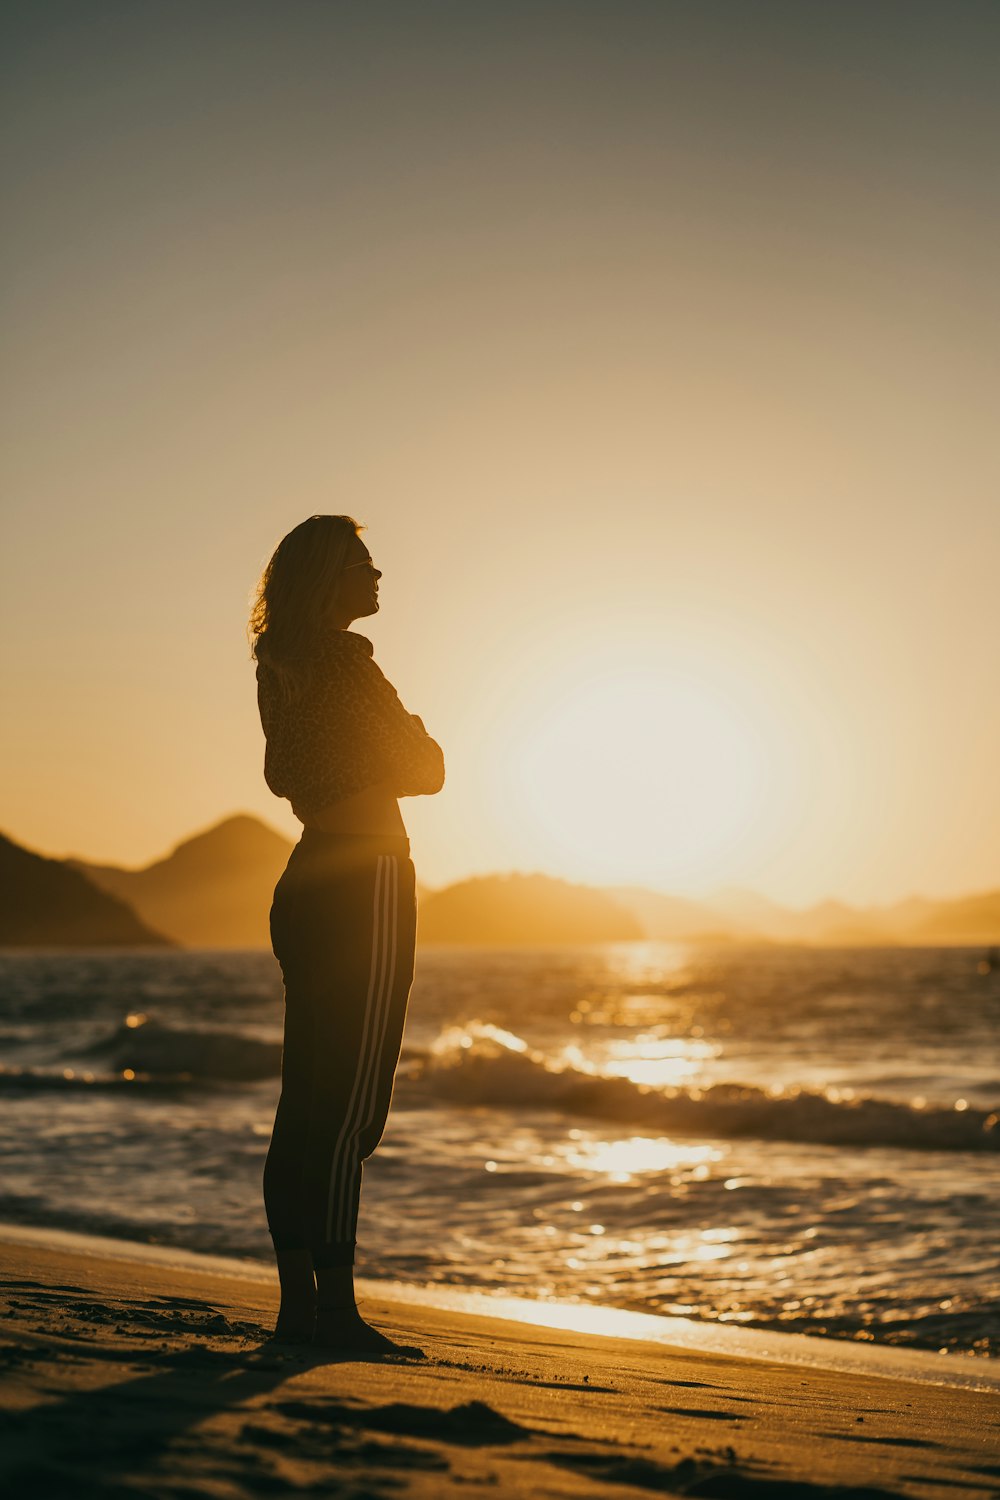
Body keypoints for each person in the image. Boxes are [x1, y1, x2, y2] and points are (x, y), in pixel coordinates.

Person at [249, 514, 444, 1353]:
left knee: (306, 1105)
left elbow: (301, 773)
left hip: (309, 876)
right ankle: (333, 1315)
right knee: (351, 1109)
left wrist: (396, 750)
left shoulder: (279, 667)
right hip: (366, 878)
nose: (377, 577)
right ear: (328, 576)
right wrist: (407, 740)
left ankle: (302, 1308)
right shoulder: (345, 663)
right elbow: (428, 768)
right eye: (362, 564)